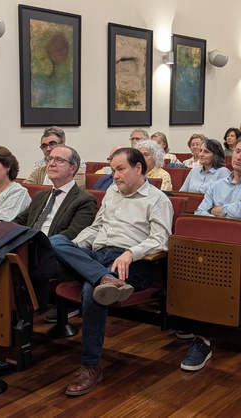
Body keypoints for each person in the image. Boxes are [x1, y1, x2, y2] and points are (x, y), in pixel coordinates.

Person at [49, 147, 173, 396]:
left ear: (138, 168)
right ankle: (103, 278)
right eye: (113, 169)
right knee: (56, 242)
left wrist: (131, 253)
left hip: (131, 263)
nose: (114, 175)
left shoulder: (158, 199)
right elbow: (96, 228)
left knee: (92, 292)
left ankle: (91, 366)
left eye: (120, 169)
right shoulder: (111, 193)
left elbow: (161, 240)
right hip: (98, 256)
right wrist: (76, 247)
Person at [184, 137, 241, 371]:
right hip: (213, 244)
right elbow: (200, 212)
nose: (238, 157)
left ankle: (204, 335)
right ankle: (200, 333)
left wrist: (219, 211)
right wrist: (226, 215)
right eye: (237, 151)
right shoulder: (218, 184)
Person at [13, 145, 97, 323]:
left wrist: (39, 245)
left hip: (53, 251)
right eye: (49, 159)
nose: (51, 163)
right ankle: (4, 309)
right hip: (28, 246)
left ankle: (30, 309)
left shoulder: (84, 199)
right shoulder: (41, 196)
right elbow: (20, 220)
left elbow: (73, 233)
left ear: (73, 168)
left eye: (59, 160)